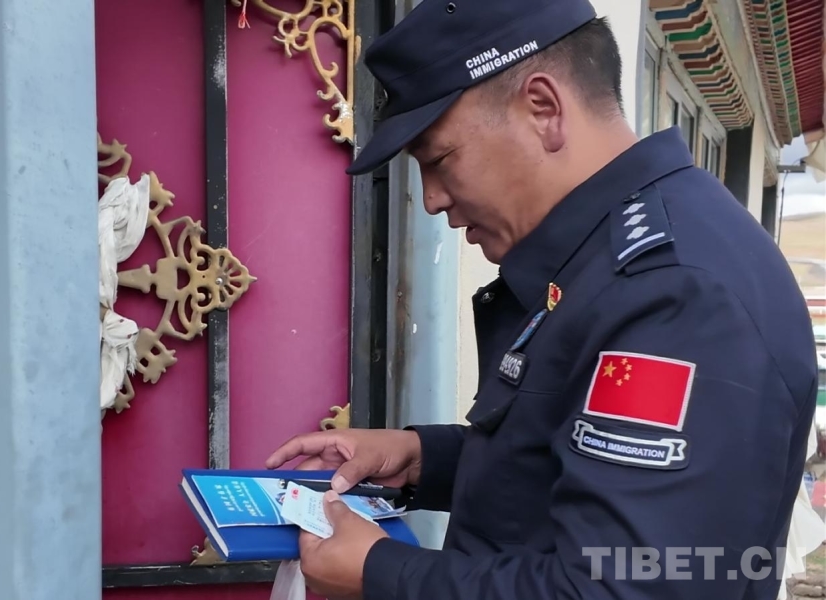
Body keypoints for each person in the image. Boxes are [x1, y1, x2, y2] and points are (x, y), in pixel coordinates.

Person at [265, 0, 820, 598]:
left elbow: (621, 589)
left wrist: (381, 572)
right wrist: (423, 458)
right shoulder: (601, 259)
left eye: (440, 160)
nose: (431, 200)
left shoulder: (674, 293)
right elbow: (576, 462)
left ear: (543, 109)